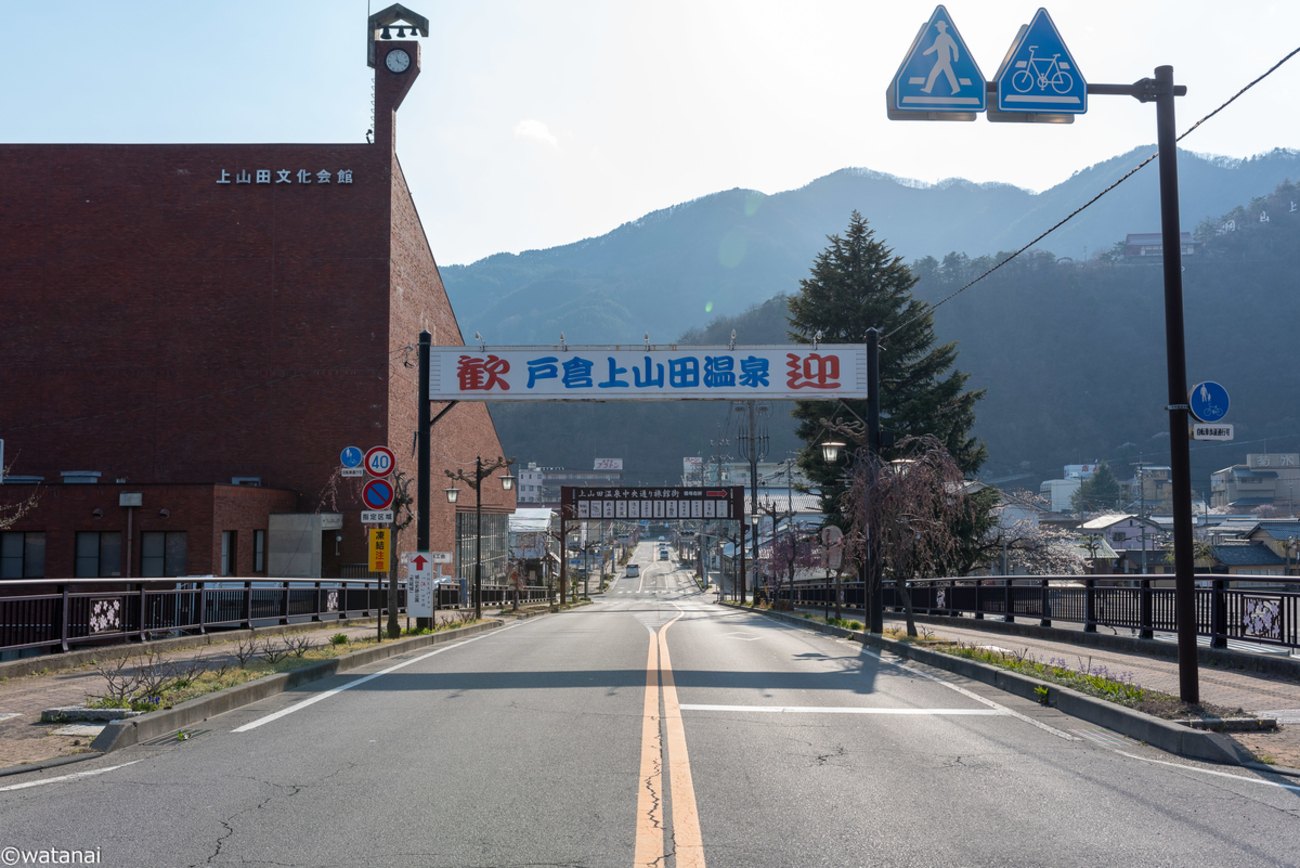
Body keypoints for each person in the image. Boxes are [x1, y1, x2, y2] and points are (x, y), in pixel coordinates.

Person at [922, 20, 960, 95]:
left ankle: (928, 89)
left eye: (939, 27)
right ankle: (956, 88)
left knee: (934, 74)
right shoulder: (939, 37)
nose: (938, 28)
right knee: (948, 74)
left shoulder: (947, 36)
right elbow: (934, 47)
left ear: (943, 27)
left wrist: (956, 57)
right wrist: (926, 52)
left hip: (944, 59)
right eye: (938, 27)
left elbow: (954, 46)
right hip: (941, 59)